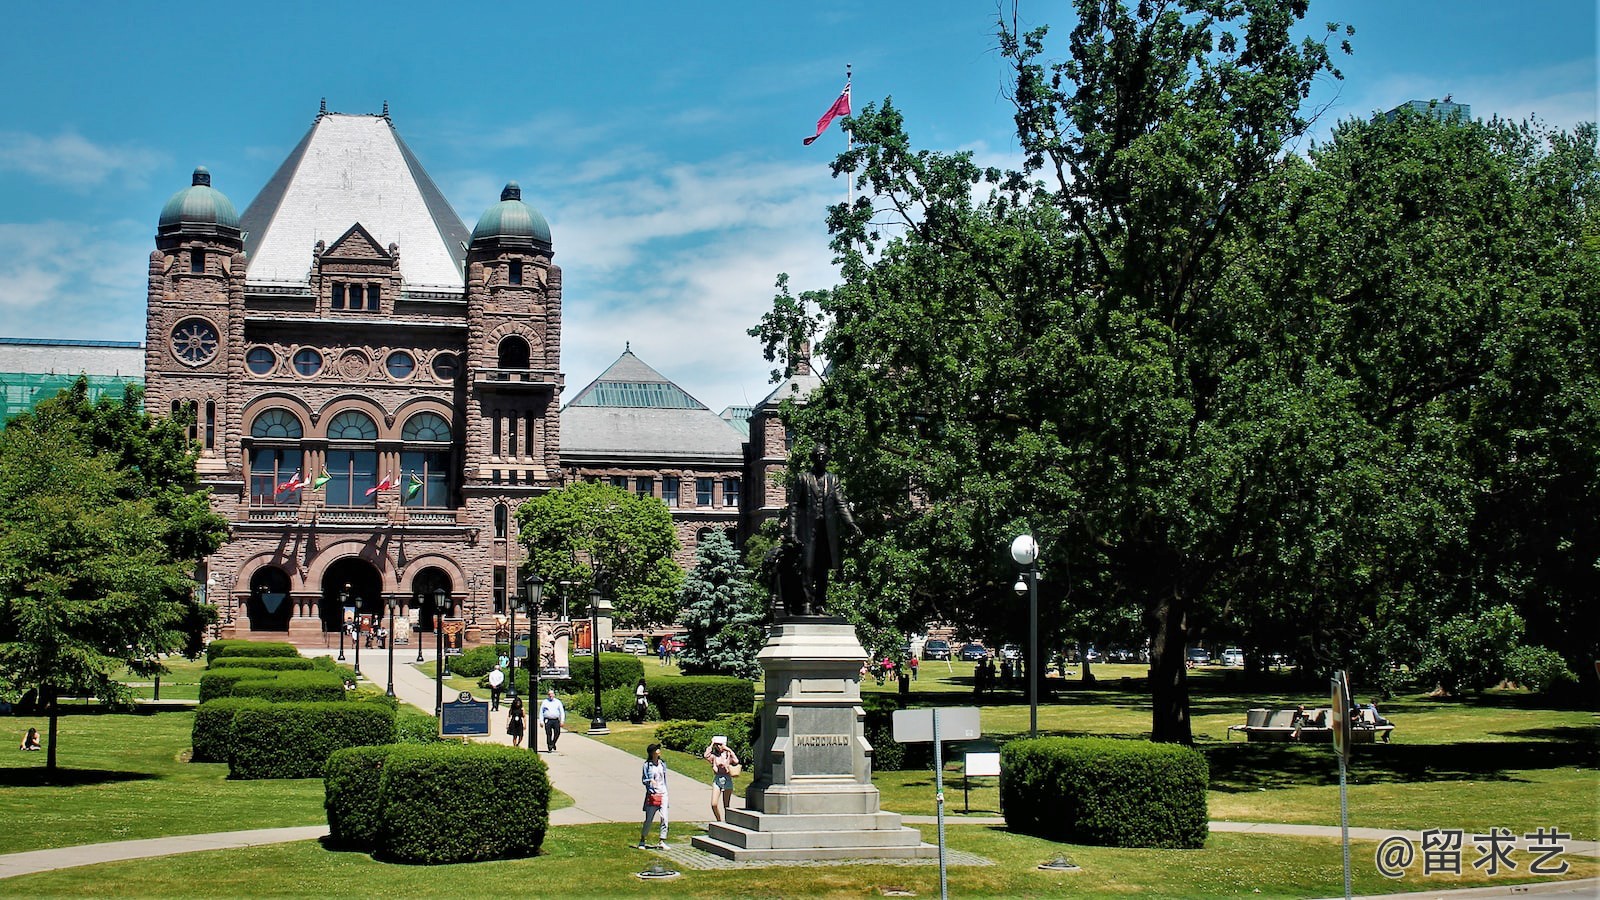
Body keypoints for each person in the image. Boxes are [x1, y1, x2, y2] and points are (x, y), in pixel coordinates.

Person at [639, 742, 670, 849]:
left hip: (663, 793)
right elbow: (644, 780)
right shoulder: (647, 765)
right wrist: (650, 781)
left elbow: (664, 778)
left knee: (664, 818)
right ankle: (642, 839)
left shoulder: (663, 764)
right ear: (652, 752)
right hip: (653, 794)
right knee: (649, 819)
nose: (659, 751)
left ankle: (662, 840)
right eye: (656, 749)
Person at [703, 734, 740, 822]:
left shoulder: (728, 754)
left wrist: (728, 750)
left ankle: (728, 821)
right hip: (717, 779)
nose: (719, 747)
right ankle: (719, 820)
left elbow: (736, 761)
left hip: (727, 779)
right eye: (717, 745)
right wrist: (712, 744)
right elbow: (706, 755)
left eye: (720, 744)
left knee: (726, 805)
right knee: (714, 804)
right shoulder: (714, 756)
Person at [539, 688, 566, 752]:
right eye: (549, 694)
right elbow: (541, 712)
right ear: (548, 695)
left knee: (557, 732)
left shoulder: (558, 702)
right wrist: (541, 721)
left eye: (552, 694)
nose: (551, 695)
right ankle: (549, 746)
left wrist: (562, 721)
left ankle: (553, 743)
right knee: (548, 733)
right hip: (548, 720)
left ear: (554, 695)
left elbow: (562, 712)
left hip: (556, 720)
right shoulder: (545, 702)